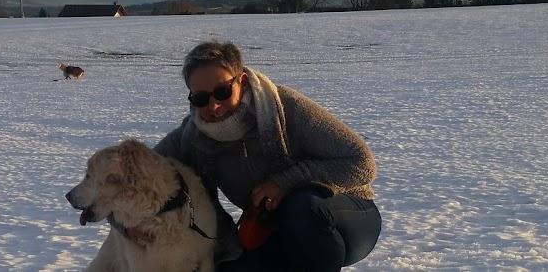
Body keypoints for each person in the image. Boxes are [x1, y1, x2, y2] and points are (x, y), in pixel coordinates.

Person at [155, 41, 381, 271]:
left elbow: (362, 162)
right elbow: (130, 175)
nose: (213, 107)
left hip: (344, 217)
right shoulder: (192, 136)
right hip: (270, 229)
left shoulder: (285, 106)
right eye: (201, 99)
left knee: (302, 208)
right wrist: (126, 225)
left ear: (241, 81)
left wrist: (284, 183)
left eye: (222, 92)